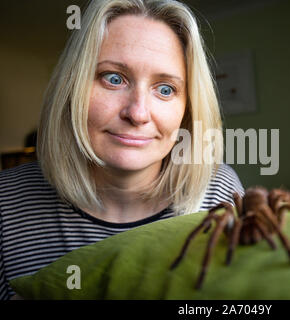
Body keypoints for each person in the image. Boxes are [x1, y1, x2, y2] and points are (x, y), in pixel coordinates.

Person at [0, 0, 244, 300]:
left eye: (165, 89)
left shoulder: (219, 189)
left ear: (188, 109)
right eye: (113, 79)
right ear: (72, 88)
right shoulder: (5, 202)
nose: (138, 113)